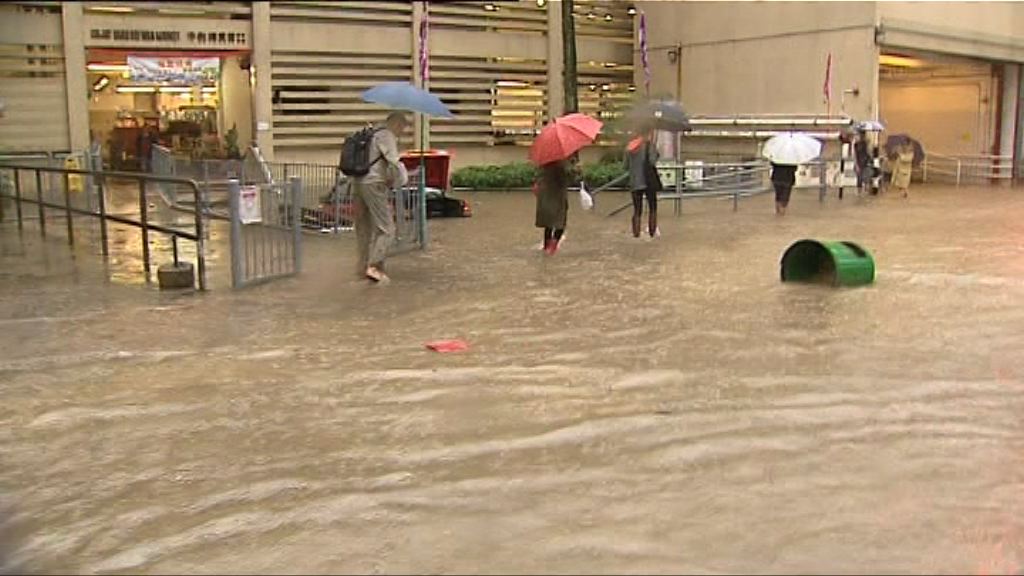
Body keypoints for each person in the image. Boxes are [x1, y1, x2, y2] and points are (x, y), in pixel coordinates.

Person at [353, 112, 410, 283]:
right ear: (397, 124)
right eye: (402, 129)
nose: (401, 133)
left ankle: (362, 267)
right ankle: (375, 266)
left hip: (358, 183)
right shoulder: (387, 136)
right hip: (374, 184)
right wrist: (402, 180)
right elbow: (394, 161)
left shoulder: (371, 134)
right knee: (387, 229)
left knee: (364, 228)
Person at [624, 131, 661, 238]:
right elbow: (652, 161)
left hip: (635, 182)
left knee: (637, 210)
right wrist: (655, 151)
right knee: (653, 208)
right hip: (648, 181)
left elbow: (625, 166)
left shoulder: (629, 147)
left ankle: (636, 234)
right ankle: (652, 233)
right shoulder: (649, 145)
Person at [535, 160, 569, 255]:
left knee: (548, 225)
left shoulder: (543, 166)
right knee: (561, 224)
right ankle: (552, 248)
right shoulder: (560, 167)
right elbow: (564, 181)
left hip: (546, 199)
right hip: (558, 199)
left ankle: (547, 247)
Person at [853, 130, 872, 196]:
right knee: (859, 177)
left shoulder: (865, 143)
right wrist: (856, 165)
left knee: (866, 176)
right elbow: (855, 155)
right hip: (859, 162)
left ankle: (866, 190)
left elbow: (868, 153)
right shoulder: (856, 144)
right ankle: (859, 191)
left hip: (865, 162)